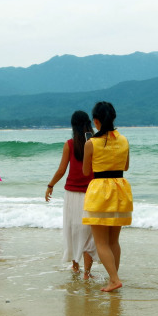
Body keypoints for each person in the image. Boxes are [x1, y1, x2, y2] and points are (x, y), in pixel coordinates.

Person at [82, 101, 132, 292]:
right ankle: (114, 278)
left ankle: (114, 279)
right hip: (120, 189)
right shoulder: (124, 140)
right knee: (113, 241)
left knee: (101, 242)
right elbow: (126, 167)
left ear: (96, 120)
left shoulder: (91, 143)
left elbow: (86, 171)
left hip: (101, 191)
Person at [45, 111, 98, 277]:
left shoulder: (69, 143)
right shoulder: (95, 142)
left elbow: (62, 170)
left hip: (72, 193)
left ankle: (75, 266)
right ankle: (87, 273)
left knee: (74, 230)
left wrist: (50, 185)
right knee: (89, 232)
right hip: (92, 192)